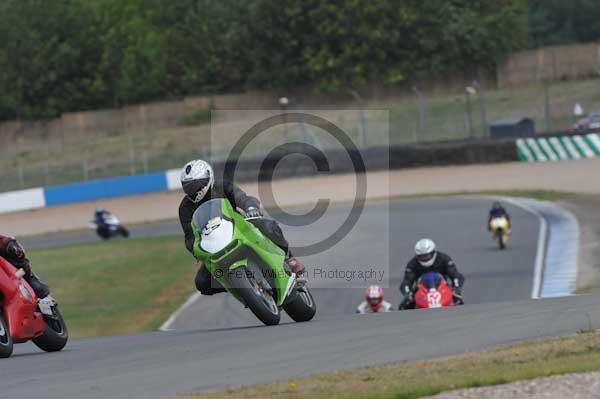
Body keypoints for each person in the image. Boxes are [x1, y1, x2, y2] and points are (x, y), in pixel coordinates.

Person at [178, 159, 305, 295]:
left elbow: (243, 198)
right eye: (188, 186)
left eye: (197, 184)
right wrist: (196, 250)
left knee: (269, 226)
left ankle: (289, 258)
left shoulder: (223, 187)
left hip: (239, 228)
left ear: (209, 177)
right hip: (213, 246)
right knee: (201, 282)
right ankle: (242, 289)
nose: (193, 189)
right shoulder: (185, 208)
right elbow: (189, 237)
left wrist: (250, 208)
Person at [398, 238, 465, 310]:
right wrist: (408, 294)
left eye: (426, 255)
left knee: (458, 301)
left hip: (442, 287)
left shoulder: (443, 258)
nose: (424, 258)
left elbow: (455, 274)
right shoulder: (413, 263)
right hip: (422, 290)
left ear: (433, 252)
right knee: (404, 306)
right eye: (421, 256)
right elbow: (406, 281)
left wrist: (457, 287)